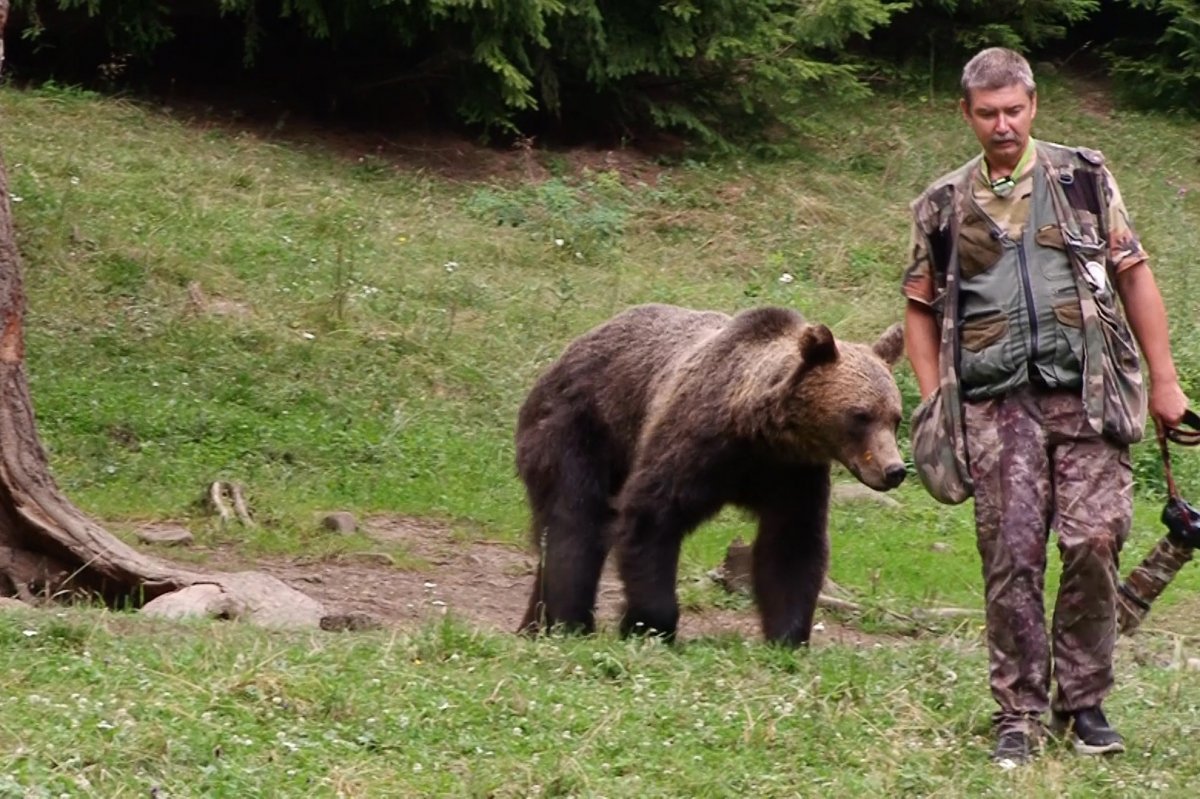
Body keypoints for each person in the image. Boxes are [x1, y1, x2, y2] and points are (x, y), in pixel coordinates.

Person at [902, 47, 1189, 764]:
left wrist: (1165, 380)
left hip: (1088, 393)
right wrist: (937, 399)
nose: (1003, 125)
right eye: (988, 113)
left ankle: (1084, 702)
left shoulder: (1082, 176)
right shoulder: (942, 204)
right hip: (996, 407)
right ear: (966, 114)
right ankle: (1019, 712)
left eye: (1014, 110)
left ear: (1033, 105)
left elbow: (1134, 273)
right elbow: (917, 308)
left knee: (1095, 540)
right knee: (1010, 557)